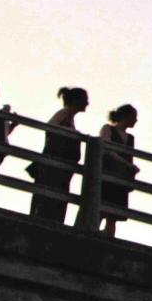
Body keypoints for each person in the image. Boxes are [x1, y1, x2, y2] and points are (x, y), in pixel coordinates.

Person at [25, 87, 89, 225]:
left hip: (59, 170)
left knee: (54, 201)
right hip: (52, 169)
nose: (87, 103)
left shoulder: (69, 117)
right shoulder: (64, 113)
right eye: (85, 100)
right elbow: (50, 126)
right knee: (48, 200)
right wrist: (72, 133)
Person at [96, 104, 140, 235]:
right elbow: (107, 150)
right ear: (125, 117)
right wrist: (127, 164)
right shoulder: (108, 129)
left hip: (121, 177)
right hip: (108, 173)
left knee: (113, 216)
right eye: (134, 117)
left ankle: (108, 238)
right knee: (100, 210)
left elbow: (129, 158)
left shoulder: (131, 138)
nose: (135, 120)